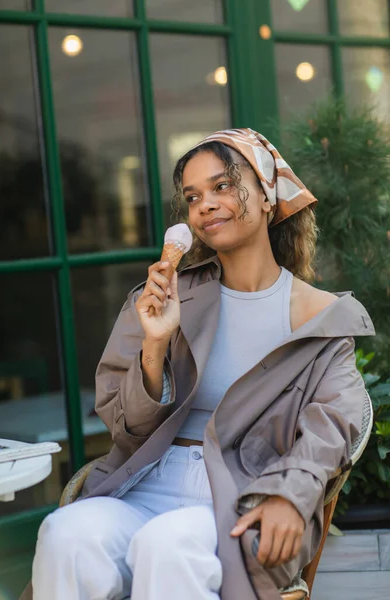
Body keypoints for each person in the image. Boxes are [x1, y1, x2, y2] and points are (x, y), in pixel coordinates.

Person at [27, 129, 374, 600]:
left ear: (268, 193)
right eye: (193, 196)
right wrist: (156, 344)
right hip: (148, 480)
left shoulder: (322, 318)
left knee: (168, 547)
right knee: (66, 535)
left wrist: (292, 493)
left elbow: (335, 422)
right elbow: (122, 426)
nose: (205, 205)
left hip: (243, 492)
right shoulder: (162, 299)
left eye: (223, 186)